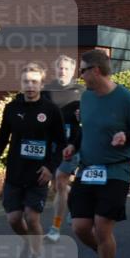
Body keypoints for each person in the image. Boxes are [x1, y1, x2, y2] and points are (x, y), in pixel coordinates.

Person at [65, 49, 130, 258]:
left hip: (115, 170)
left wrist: (127, 135)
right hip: (88, 169)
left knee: (102, 227)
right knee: (80, 227)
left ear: (96, 70)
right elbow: (85, 130)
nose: (80, 75)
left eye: (83, 70)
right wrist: (73, 145)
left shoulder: (125, 98)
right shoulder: (87, 97)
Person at [0, 63, 65, 258]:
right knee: (14, 219)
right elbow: (3, 137)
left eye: (34, 82)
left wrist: (50, 167)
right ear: (21, 84)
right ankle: (30, 243)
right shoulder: (12, 108)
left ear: (41, 83)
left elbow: (60, 142)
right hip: (15, 172)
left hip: (39, 175)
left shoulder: (51, 110)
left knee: (32, 218)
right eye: (26, 82)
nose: (30, 86)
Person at [43, 55, 85, 242]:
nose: (63, 71)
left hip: (72, 144)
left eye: (66, 68)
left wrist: (82, 114)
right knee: (57, 186)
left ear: (73, 71)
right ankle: (74, 200)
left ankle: (55, 227)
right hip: (52, 144)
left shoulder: (81, 90)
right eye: (60, 68)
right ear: (55, 69)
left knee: (60, 181)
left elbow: (90, 116)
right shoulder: (47, 90)